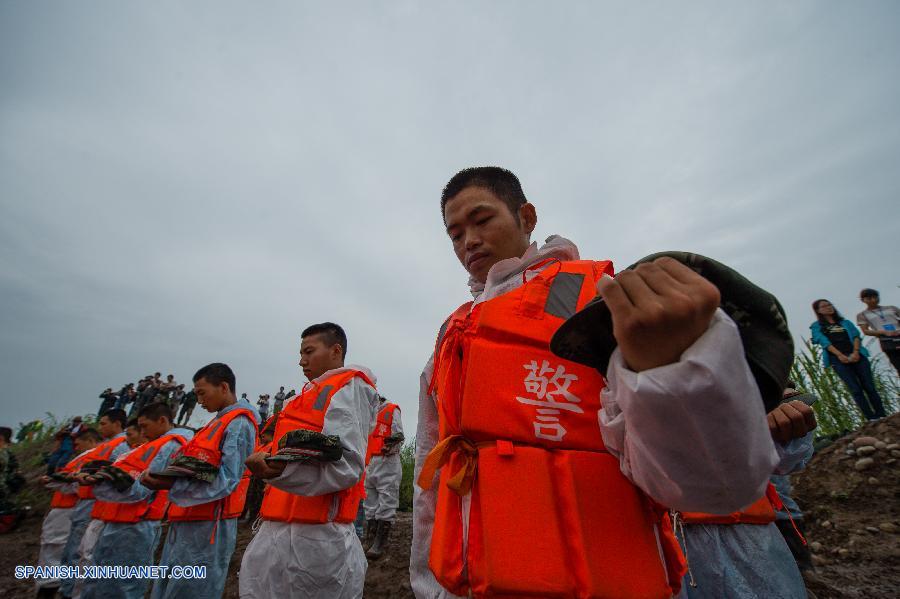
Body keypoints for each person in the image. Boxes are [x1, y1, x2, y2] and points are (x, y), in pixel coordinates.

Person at [411, 167, 780, 598]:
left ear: (526, 217)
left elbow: (706, 479)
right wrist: (428, 585)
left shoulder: (600, 298)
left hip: (610, 575)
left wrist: (669, 366)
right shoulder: (452, 332)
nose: (468, 240)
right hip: (474, 580)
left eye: (482, 219)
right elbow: (429, 470)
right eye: (455, 234)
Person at [239, 322, 378, 599]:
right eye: (301, 353)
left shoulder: (350, 387)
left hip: (319, 541)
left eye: (309, 351)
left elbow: (347, 466)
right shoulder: (297, 400)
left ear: (335, 350)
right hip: (274, 530)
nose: (301, 360)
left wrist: (279, 471)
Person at [676, 389, 817, 597]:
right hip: (674, 536)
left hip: (747, 530)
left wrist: (776, 406)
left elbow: (776, 390)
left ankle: (803, 567)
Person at [141, 363, 258, 599]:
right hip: (185, 519)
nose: (199, 400)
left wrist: (172, 484)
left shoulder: (239, 423)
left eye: (202, 393)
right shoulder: (213, 425)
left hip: (209, 525)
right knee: (167, 589)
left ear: (224, 387)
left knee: (192, 590)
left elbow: (228, 479)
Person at [79, 402, 192, 599]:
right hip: (116, 519)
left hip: (137, 525)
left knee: (124, 586)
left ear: (162, 421)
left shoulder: (172, 444)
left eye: (145, 426)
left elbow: (143, 486)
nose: (142, 431)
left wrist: (111, 480)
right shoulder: (150, 446)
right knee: (98, 582)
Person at [58, 410, 129, 599]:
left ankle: (72, 592)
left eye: (104, 423)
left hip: (98, 505)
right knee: (77, 552)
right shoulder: (106, 446)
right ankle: (69, 590)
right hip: (88, 503)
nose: (100, 427)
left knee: (82, 554)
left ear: (117, 424)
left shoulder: (121, 446)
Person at [36, 428, 103, 598]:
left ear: (91, 441)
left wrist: (61, 480)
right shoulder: (82, 457)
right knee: (57, 552)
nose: (76, 445)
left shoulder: (94, 456)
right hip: (63, 510)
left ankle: (53, 589)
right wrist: (54, 480)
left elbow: (79, 483)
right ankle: (53, 587)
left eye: (79, 442)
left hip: (70, 510)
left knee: (60, 551)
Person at [810, 299, 886, 420]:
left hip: (857, 356)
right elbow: (823, 341)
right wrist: (840, 355)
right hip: (837, 359)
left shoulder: (845, 322)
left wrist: (855, 352)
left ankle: (881, 414)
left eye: (829, 304)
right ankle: (871, 417)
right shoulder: (817, 326)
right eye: (824, 306)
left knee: (869, 386)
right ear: (818, 311)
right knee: (855, 389)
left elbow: (856, 336)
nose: (828, 307)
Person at [363, 395, 404, 559]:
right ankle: (370, 539)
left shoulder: (391, 410)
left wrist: (391, 445)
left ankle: (379, 543)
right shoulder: (368, 413)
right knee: (369, 502)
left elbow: (399, 435)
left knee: (387, 501)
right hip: (371, 461)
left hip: (387, 461)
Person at [857, 288, 900, 375]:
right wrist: (884, 332)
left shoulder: (892, 308)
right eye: (869, 298)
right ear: (863, 300)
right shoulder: (862, 315)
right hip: (887, 340)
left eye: (875, 297)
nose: (873, 300)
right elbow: (866, 331)